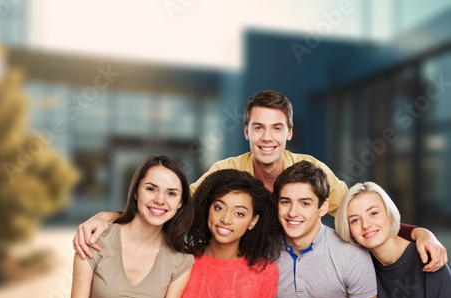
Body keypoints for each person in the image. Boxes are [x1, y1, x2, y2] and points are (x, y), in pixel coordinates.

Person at [72, 90, 447, 272]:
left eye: (276, 128)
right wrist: (109, 216)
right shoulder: (226, 170)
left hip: (294, 269)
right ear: (247, 132)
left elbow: (359, 212)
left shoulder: (310, 171)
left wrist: (418, 234)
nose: (267, 137)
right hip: (243, 268)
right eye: (259, 127)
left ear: (289, 132)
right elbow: (173, 201)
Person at [65, 155, 195, 298]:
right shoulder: (95, 239)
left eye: (171, 193)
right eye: (151, 189)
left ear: (180, 203)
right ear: (136, 192)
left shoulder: (182, 260)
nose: (160, 200)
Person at [170, 169, 283, 298]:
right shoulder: (184, 259)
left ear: (253, 221)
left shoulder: (265, 272)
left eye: (239, 213)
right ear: (207, 208)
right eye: (219, 208)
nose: (225, 219)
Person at [271, 161, 378, 298]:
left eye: (305, 203)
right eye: (285, 202)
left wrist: (419, 233)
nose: (292, 212)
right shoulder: (263, 251)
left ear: (323, 208)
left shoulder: (352, 255)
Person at [335, 181, 451, 298]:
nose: (366, 225)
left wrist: (423, 233)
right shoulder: (359, 266)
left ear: (389, 214)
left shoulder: (427, 256)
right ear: (349, 230)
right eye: (355, 220)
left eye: (373, 213)